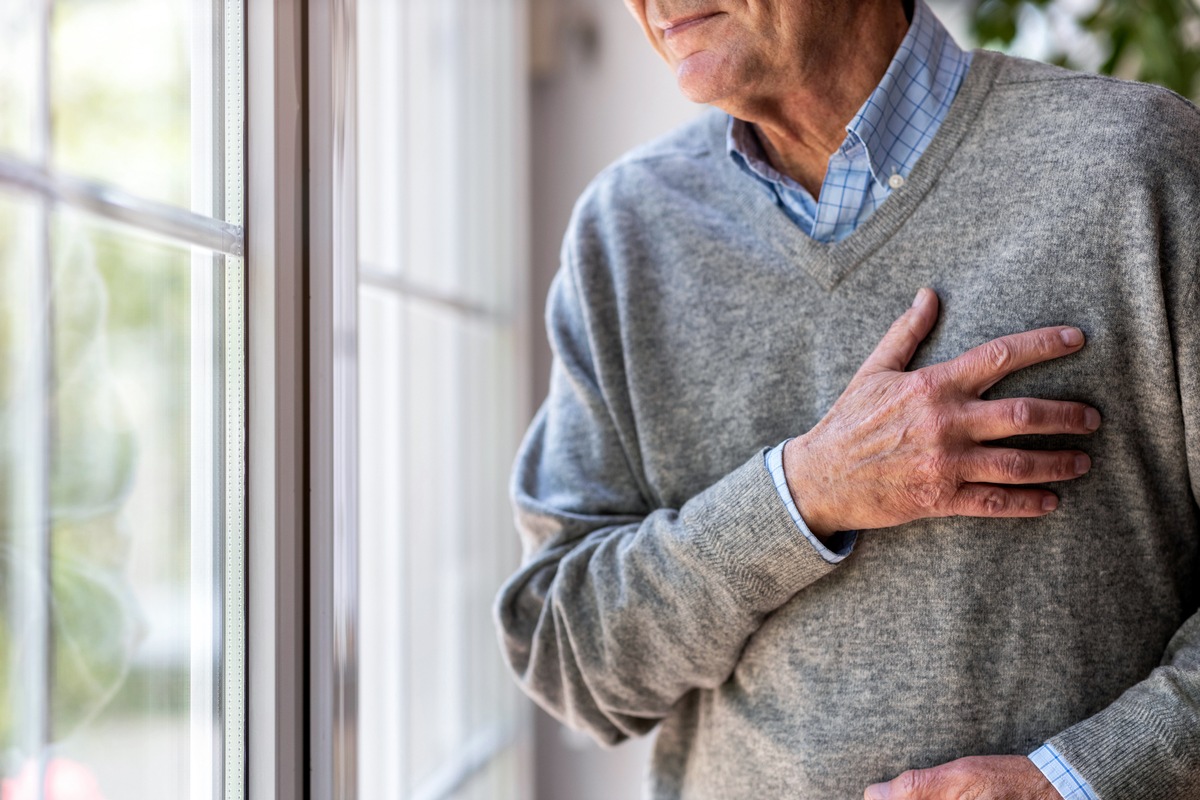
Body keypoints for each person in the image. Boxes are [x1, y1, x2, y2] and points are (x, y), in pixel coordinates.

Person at [494, 0, 1200, 796]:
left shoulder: (1141, 168)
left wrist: (1076, 783)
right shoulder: (624, 235)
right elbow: (567, 659)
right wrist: (802, 493)